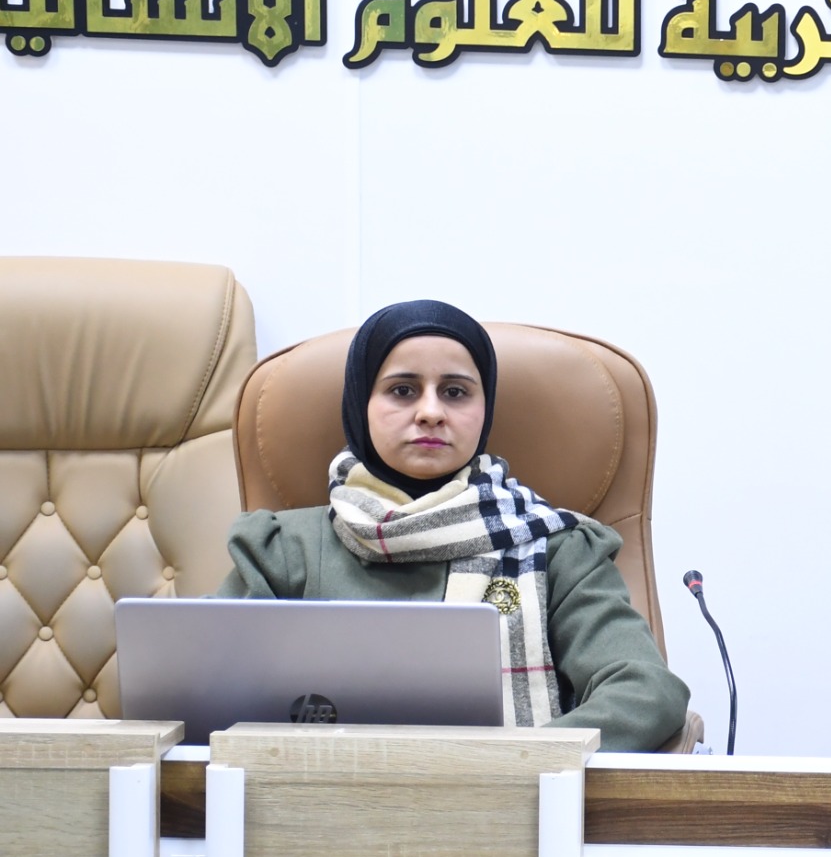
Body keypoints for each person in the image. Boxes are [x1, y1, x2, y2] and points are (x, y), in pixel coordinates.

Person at [219, 300, 690, 754]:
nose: (431, 412)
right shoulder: (283, 549)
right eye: (402, 390)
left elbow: (645, 691)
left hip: (512, 802)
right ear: (361, 403)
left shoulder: (556, 548)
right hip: (315, 800)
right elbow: (203, 684)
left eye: (455, 392)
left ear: (485, 410)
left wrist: (507, 763)